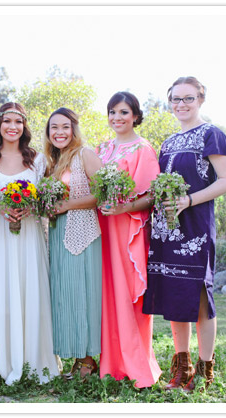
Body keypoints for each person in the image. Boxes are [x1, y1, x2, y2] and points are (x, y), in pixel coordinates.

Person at [142, 77, 226, 391]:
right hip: (166, 229)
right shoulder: (167, 143)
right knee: (174, 295)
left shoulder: (212, 134)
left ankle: (205, 370)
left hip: (196, 227)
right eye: (175, 99)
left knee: (199, 298)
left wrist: (190, 200)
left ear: (200, 100)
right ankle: (182, 368)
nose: (181, 104)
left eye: (188, 98)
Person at [0, 103, 60, 385]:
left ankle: (35, 359)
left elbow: (48, 199)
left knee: (30, 289)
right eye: (7, 121)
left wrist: (31, 206)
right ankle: (3, 360)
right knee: (0, 292)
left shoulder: (38, 160)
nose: (13, 127)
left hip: (30, 236)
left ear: (24, 126)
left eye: (18, 122)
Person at [96, 92, 161, 388]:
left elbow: (151, 195)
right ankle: (111, 364)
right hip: (103, 226)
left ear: (135, 115)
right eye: (113, 112)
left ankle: (137, 366)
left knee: (127, 293)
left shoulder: (143, 149)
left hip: (127, 227)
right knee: (106, 292)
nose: (117, 118)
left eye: (123, 112)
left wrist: (124, 207)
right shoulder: (103, 148)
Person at [43, 107, 103, 379]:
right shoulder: (52, 162)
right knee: (65, 295)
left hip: (83, 232)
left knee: (82, 294)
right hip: (57, 234)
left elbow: (103, 194)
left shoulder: (84, 155)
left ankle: (89, 360)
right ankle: (79, 358)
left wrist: (67, 205)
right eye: (54, 127)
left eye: (65, 127)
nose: (60, 132)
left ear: (73, 129)